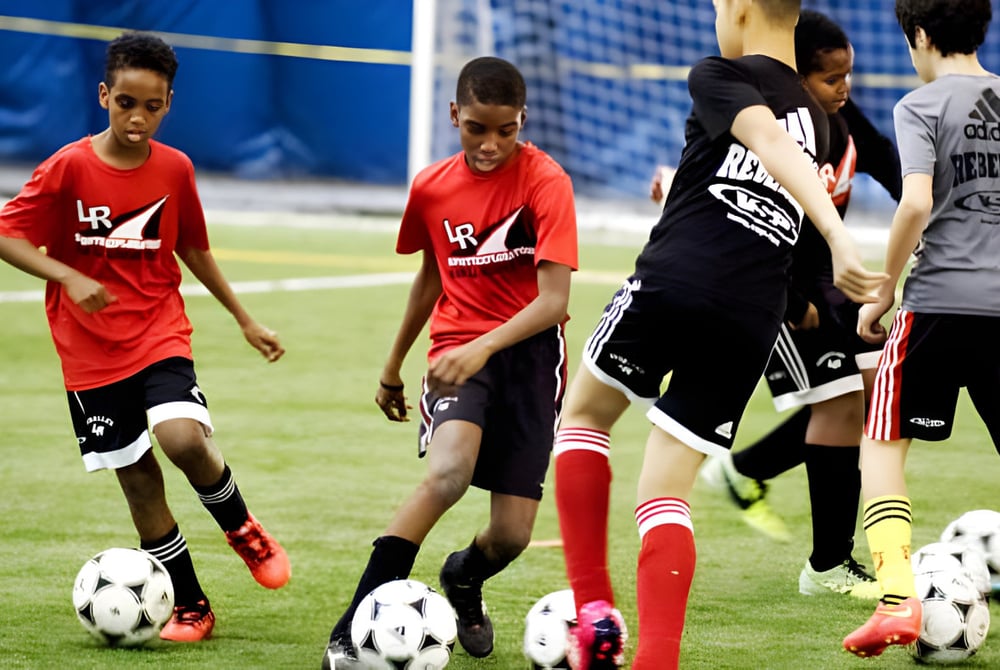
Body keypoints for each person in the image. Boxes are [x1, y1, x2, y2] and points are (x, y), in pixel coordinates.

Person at [551, 0, 888, 667]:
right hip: (749, 318)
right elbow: (767, 160)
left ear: (736, 9)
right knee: (665, 495)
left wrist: (838, 237)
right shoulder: (822, 122)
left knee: (584, 419)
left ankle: (592, 607)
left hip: (675, 281)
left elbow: (764, 140)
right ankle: (658, 660)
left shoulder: (718, 74)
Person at [0, 32, 290, 642]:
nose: (137, 117)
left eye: (151, 106)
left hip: (158, 330)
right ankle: (191, 605)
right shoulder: (67, 167)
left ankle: (242, 528)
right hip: (86, 352)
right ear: (104, 94)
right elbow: (7, 235)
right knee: (137, 477)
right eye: (125, 102)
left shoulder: (175, 168)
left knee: (182, 438)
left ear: (168, 104)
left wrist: (244, 318)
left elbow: (193, 249)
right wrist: (67, 274)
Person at [320, 56, 577, 670]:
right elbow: (430, 276)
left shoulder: (546, 181)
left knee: (511, 536)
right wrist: (393, 366)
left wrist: (486, 345)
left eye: (506, 130)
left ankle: (463, 579)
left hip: (533, 359)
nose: (491, 144)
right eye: (477, 129)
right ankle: (352, 631)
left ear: (522, 121)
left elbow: (555, 301)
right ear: (454, 115)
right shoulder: (432, 187)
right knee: (448, 476)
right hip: (457, 352)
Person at [694, 10, 902, 599]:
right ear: (796, 77)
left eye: (848, 76)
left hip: (822, 283)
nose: (844, 89)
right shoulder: (770, 119)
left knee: (869, 400)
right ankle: (828, 565)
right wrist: (792, 300)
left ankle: (746, 474)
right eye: (831, 78)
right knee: (842, 404)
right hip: (779, 287)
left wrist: (926, 192)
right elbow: (748, 212)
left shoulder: (838, 116)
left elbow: (887, 162)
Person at [843, 0, 1000, 658]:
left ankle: (896, 599)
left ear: (922, 35)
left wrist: (881, 289)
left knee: (880, 447)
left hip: (936, 304)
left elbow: (914, 200)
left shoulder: (922, 104)